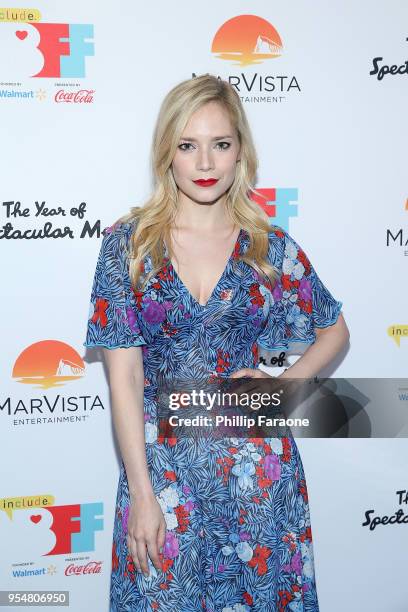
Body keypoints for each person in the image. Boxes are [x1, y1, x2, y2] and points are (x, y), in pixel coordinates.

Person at [84, 74, 349, 612]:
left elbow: (334, 331)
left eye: (220, 144)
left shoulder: (269, 247)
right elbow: (125, 378)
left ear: (239, 153)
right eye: (188, 145)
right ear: (167, 154)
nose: (205, 164)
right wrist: (141, 492)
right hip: (162, 477)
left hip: (259, 480)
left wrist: (283, 386)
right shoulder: (127, 246)